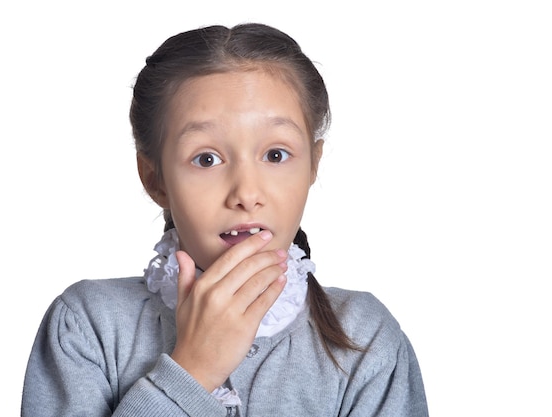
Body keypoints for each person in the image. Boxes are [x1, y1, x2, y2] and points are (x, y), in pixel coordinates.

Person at [21, 23, 429, 417]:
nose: (246, 194)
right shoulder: (86, 326)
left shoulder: (365, 339)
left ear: (313, 166)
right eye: (206, 159)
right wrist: (193, 371)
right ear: (155, 179)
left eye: (275, 155)